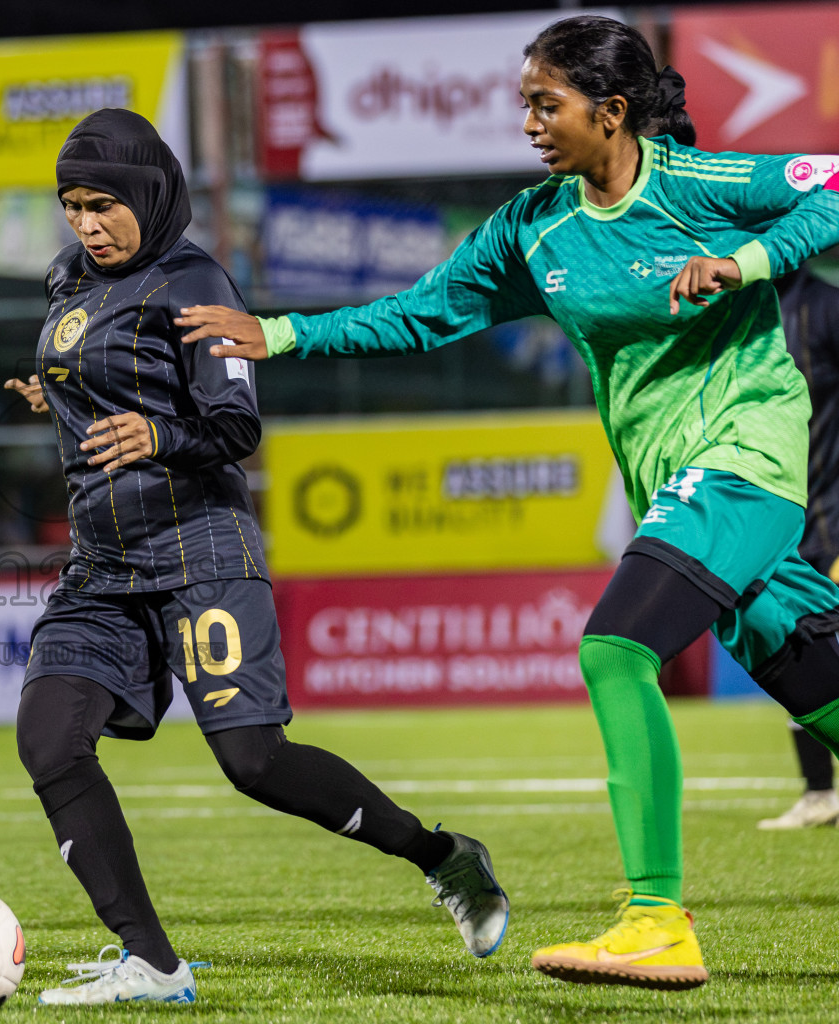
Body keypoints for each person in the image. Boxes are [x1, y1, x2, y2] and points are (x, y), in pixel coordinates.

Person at [177, 13, 839, 992]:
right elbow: (419, 313)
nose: (527, 122)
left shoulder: (699, 186)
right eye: (523, 102)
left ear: (611, 113)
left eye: (546, 103)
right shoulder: (535, 228)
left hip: (748, 459)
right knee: (816, 683)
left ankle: (656, 917)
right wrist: (281, 336)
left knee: (616, 649)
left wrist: (744, 264)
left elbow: (830, 186)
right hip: (679, 482)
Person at [2, 108, 509, 1007]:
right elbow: (100, 372)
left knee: (254, 764)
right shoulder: (68, 278)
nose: (87, 223)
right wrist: (58, 395)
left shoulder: (192, 278)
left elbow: (236, 425)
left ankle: (443, 857)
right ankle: (153, 965)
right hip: (100, 566)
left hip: (198, 550)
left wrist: (159, 432)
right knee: (47, 737)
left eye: (103, 204)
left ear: (148, 194)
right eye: (72, 205)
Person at [759, 267, 839, 828]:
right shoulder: (737, 310)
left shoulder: (824, 308)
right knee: (793, 643)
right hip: (780, 518)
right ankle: (819, 793)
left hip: (834, 514)